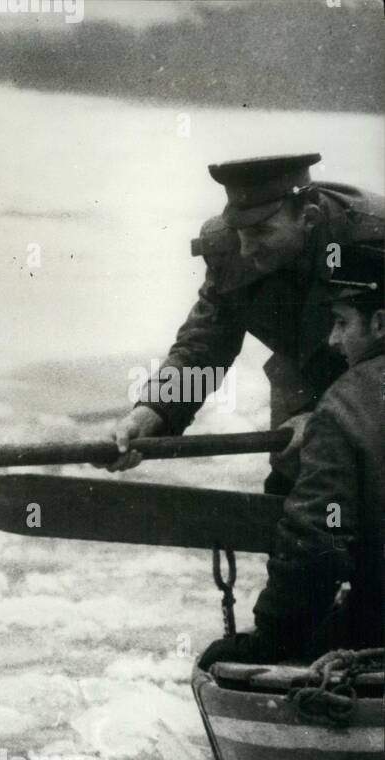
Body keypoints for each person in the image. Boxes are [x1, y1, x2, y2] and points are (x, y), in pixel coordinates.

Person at [103, 153, 385, 494]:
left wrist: (328, 416)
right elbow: (204, 346)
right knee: (295, 495)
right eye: (239, 232)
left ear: (309, 218)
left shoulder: (372, 238)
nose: (246, 249)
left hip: (376, 382)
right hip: (301, 375)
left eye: (261, 231)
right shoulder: (230, 248)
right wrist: (153, 411)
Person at [199, 241, 383, 669]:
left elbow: (318, 538)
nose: (334, 341)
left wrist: (274, 637)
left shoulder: (344, 408)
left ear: (378, 324)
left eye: (340, 322)